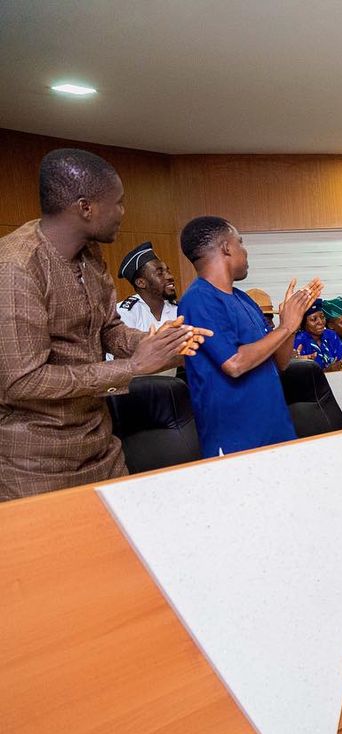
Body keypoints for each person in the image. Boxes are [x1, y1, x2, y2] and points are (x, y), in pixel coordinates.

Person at [0, 148, 204, 500]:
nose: (123, 212)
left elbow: (110, 329)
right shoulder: (16, 268)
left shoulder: (91, 255)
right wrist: (133, 367)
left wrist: (162, 342)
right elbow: (22, 380)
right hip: (35, 465)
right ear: (86, 207)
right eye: (118, 202)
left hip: (102, 448)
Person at [177, 215, 317, 457]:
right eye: (240, 242)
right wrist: (285, 327)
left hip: (276, 431)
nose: (245, 251)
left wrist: (290, 324)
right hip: (236, 441)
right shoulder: (198, 299)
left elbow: (281, 362)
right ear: (226, 247)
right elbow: (234, 364)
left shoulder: (244, 299)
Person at [115, 241, 179, 331]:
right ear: (141, 283)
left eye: (167, 271)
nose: (170, 276)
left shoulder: (178, 308)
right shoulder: (125, 313)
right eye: (160, 273)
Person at [293, 299, 342, 371]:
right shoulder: (298, 341)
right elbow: (302, 373)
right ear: (303, 323)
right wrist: (328, 370)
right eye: (314, 319)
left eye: (322, 317)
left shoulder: (331, 335)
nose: (320, 322)